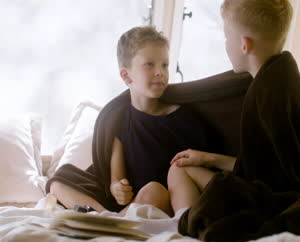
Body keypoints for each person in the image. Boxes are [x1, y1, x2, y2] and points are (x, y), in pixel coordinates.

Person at [176, 0, 300, 242]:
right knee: (213, 186)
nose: (225, 45)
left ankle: (181, 229)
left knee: (220, 194)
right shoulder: (281, 77)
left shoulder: (267, 90)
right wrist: (208, 158)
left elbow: (260, 185)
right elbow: (268, 168)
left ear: (244, 44)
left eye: (226, 37)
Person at [47, 26, 215, 216]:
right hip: (129, 204)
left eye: (164, 65)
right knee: (58, 180)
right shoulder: (120, 118)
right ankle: (106, 219)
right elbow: (115, 178)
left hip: (162, 199)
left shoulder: (184, 119)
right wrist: (117, 188)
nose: (159, 72)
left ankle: (111, 221)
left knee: (153, 191)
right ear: (126, 76)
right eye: (149, 64)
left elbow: (196, 175)